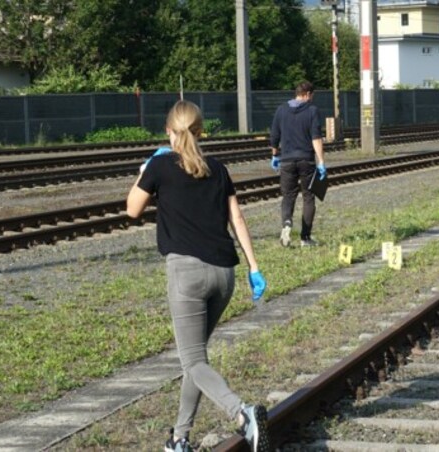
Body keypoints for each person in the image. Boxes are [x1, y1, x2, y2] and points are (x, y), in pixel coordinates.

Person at [127, 100, 271, 452]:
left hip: (187, 274)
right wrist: (254, 266)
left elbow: (132, 210)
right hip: (225, 273)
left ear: (168, 131)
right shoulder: (218, 168)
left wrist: (144, 170)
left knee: (192, 360)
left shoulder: (159, 166)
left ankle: (242, 414)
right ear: (201, 131)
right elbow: (237, 219)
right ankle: (179, 438)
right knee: (197, 361)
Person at [269, 81, 327, 248]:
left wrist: (275, 155)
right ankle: (305, 238)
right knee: (309, 197)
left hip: (286, 160)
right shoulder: (312, 111)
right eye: (312, 96)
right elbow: (316, 137)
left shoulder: (281, 110)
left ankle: (286, 224)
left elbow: (274, 135)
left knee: (288, 196)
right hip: (306, 160)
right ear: (307, 94)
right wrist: (321, 161)